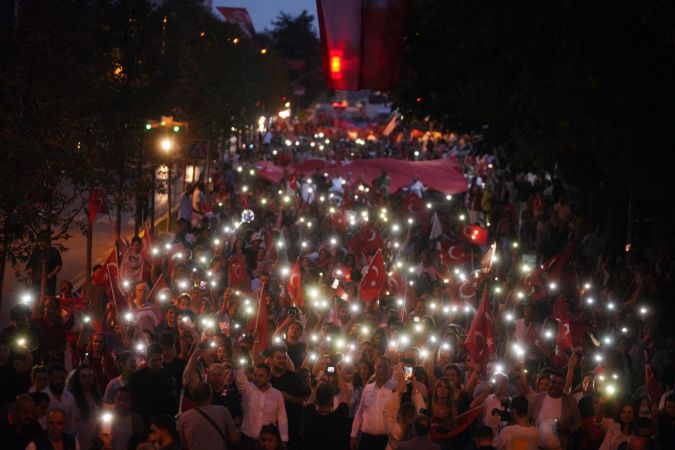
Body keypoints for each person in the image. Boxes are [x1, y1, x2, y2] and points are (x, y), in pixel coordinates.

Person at [235, 362, 288, 449]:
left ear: (268, 377)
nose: (257, 378)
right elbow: (240, 380)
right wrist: (241, 367)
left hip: (267, 443)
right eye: (255, 375)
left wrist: (284, 439)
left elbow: (282, 418)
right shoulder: (249, 389)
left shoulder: (277, 394)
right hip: (248, 440)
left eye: (261, 376)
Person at [268, 345, 309, 449]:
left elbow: (306, 399)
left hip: (292, 428)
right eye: (279, 358)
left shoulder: (294, 377)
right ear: (271, 359)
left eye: (284, 357)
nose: (282, 360)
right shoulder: (266, 378)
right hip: (269, 428)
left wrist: (289, 398)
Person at [529, 370, 581, 450]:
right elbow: (527, 420)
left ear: (563, 385)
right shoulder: (536, 399)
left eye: (559, 383)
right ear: (549, 382)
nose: (556, 385)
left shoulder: (570, 401)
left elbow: (578, 423)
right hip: (536, 447)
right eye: (553, 382)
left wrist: (567, 429)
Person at [177, 382, 239, 450]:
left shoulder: (184, 417)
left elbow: (184, 444)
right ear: (210, 396)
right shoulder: (223, 411)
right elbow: (234, 437)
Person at [350, 357, 395, 450]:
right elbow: (360, 411)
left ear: (390, 370)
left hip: (387, 440)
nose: (382, 370)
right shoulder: (367, 388)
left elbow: (409, 383)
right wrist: (353, 435)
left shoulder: (395, 389)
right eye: (379, 367)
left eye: (385, 367)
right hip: (367, 439)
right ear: (374, 369)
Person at [127, 344, 177, 425]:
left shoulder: (166, 376)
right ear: (147, 359)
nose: (158, 364)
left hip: (162, 419)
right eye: (154, 360)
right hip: (144, 420)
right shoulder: (136, 377)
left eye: (160, 360)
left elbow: (169, 398)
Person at [302, 371, 351, 450]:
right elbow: (346, 397)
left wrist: (320, 383)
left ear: (317, 399)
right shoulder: (338, 416)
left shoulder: (309, 414)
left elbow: (311, 400)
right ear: (332, 399)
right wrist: (340, 377)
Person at [44, 364, 76, 432]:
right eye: (55, 378)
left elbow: (71, 420)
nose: (59, 381)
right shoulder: (44, 396)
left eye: (62, 378)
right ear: (49, 378)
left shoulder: (69, 396)